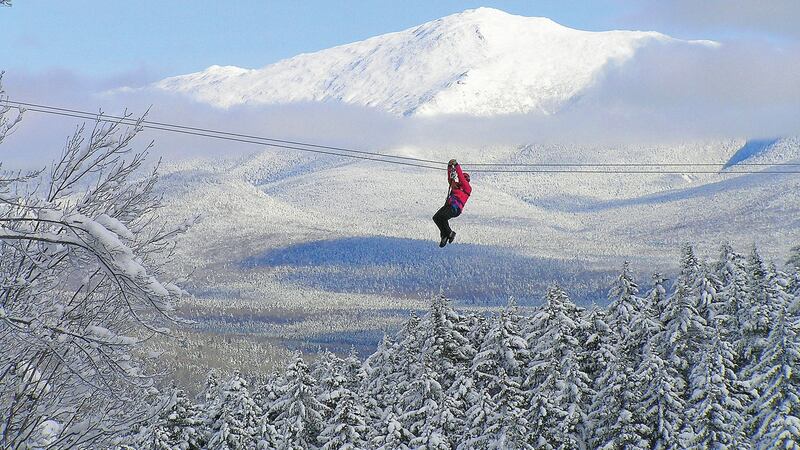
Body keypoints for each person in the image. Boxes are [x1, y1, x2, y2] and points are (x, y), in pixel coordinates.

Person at [433, 159, 471, 247]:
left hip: (455, 208)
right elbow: (450, 179)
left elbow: (461, 177)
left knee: (442, 217)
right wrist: (449, 167)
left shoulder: (467, 188)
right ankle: (445, 235)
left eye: (464, 179)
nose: (462, 180)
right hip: (449, 206)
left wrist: (456, 165)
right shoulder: (456, 186)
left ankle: (449, 233)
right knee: (436, 217)